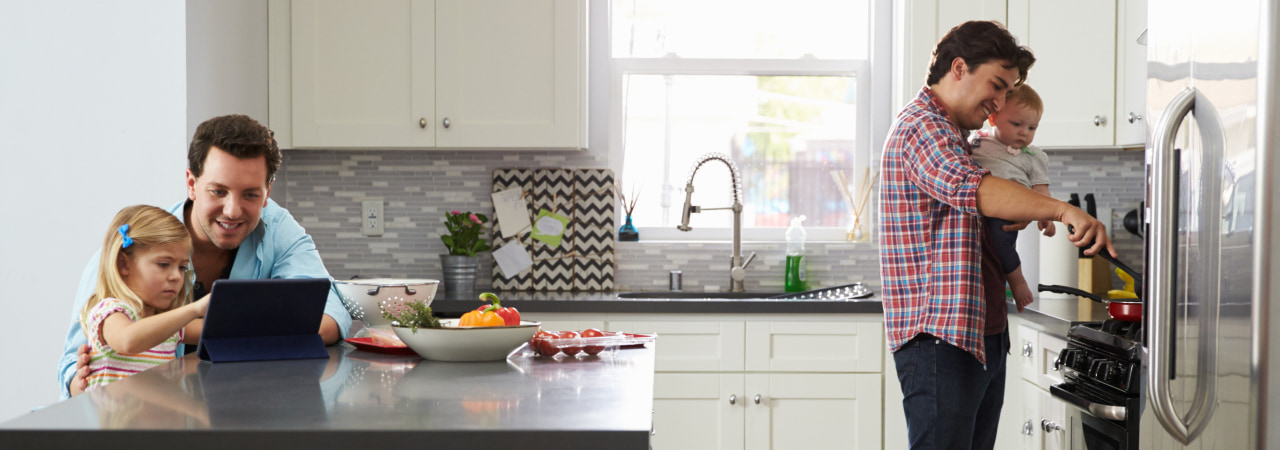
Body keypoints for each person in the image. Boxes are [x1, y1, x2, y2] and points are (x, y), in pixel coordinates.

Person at [879, 20, 1114, 450]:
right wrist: (1061, 209)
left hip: (977, 332)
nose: (1000, 102)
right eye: (997, 85)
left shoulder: (959, 135)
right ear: (959, 67)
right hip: (939, 338)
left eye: (1008, 92)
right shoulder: (921, 127)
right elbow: (978, 190)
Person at [58, 114, 353, 399]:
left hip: (240, 408)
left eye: (250, 194)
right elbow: (73, 369)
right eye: (218, 191)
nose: (233, 210)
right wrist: (83, 382)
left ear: (267, 192)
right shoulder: (129, 251)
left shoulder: (279, 228)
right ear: (191, 183)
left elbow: (330, 318)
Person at [80, 205, 206, 392]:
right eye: (164, 264)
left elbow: (219, 332)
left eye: (182, 267)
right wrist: (193, 309)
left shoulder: (169, 327)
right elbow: (128, 341)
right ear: (124, 264)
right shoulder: (109, 311)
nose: (176, 277)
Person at [968, 84, 1055, 312]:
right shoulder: (979, 141)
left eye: (1032, 127)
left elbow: (1041, 191)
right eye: (1016, 124)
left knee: (1001, 242)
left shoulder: (1033, 155)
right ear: (993, 119)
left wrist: (1047, 216)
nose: (1024, 132)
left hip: (1006, 215)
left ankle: (1017, 281)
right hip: (977, 210)